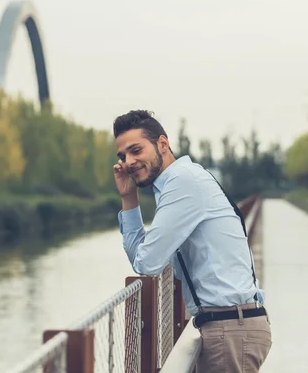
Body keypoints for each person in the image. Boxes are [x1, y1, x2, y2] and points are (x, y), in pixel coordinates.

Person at [112, 110, 272, 372]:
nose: (128, 162)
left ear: (162, 144)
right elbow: (143, 260)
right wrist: (129, 199)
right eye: (122, 156)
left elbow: (146, 263)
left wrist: (131, 205)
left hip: (229, 329)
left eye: (135, 150)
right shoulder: (183, 179)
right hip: (228, 326)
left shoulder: (182, 182)